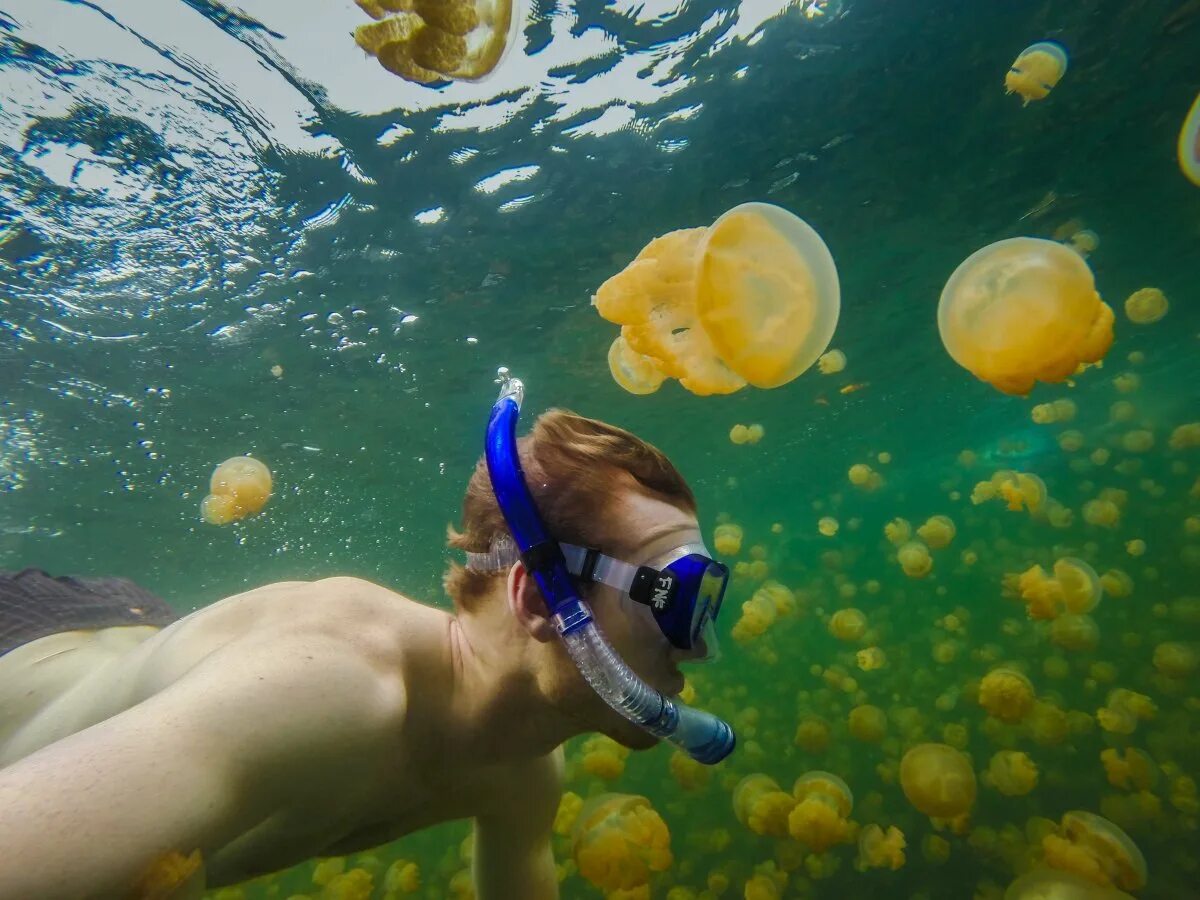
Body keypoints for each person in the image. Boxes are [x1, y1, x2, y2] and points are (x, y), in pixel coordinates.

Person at [0, 385, 731, 900]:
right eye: (679, 596)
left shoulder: (523, 775)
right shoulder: (335, 687)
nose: (699, 648)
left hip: (137, 631)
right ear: (540, 598)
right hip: (25, 644)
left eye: (707, 607)